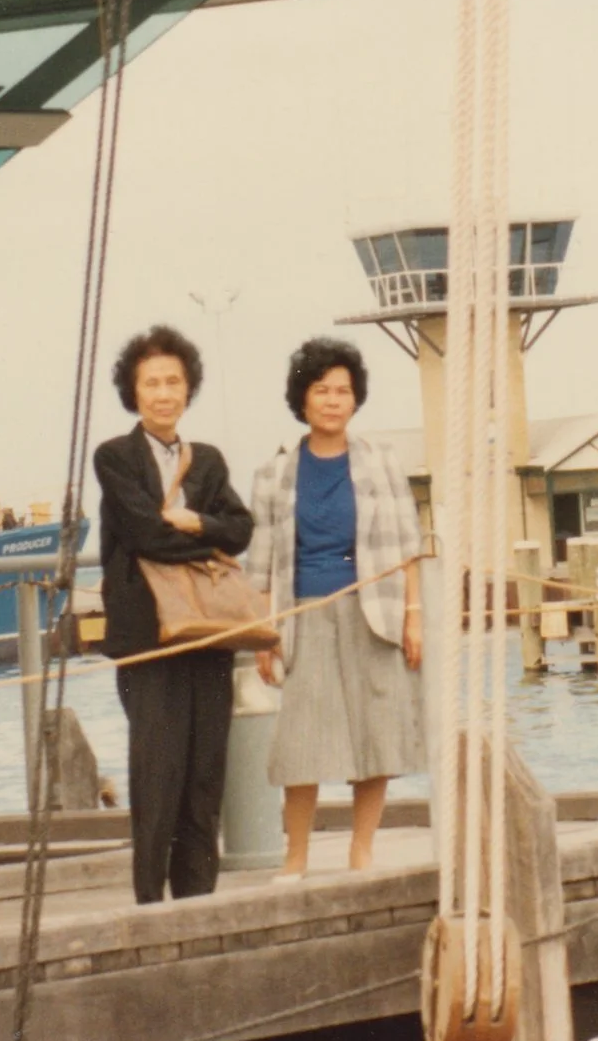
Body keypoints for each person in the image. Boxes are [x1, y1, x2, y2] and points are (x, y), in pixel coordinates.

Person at [246, 337, 425, 878]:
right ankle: (295, 856)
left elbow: (407, 543)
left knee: (377, 737)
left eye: (343, 391)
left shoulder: (382, 462)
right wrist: (262, 632)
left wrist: (414, 615)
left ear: (356, 399)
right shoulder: (273, 474)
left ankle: (361, 851)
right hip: (303, 615)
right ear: (302, 398)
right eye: (321, 390)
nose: (332, 400)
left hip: (374, 611)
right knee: (302, 742)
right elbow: (260, 563)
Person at [93, 325, 255, 905]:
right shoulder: (114, 457)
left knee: (204, 777)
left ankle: (198, 902)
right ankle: (149, 905)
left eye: (174, 382)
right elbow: (141, 534)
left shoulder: (207, 461)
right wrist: (201, 540)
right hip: (148, 639)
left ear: (189, 389)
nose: (164, 393)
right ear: (132, 392)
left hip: (209, 636)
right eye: (152, 383)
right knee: (156, 776)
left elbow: (240, 530)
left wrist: (201, 526)